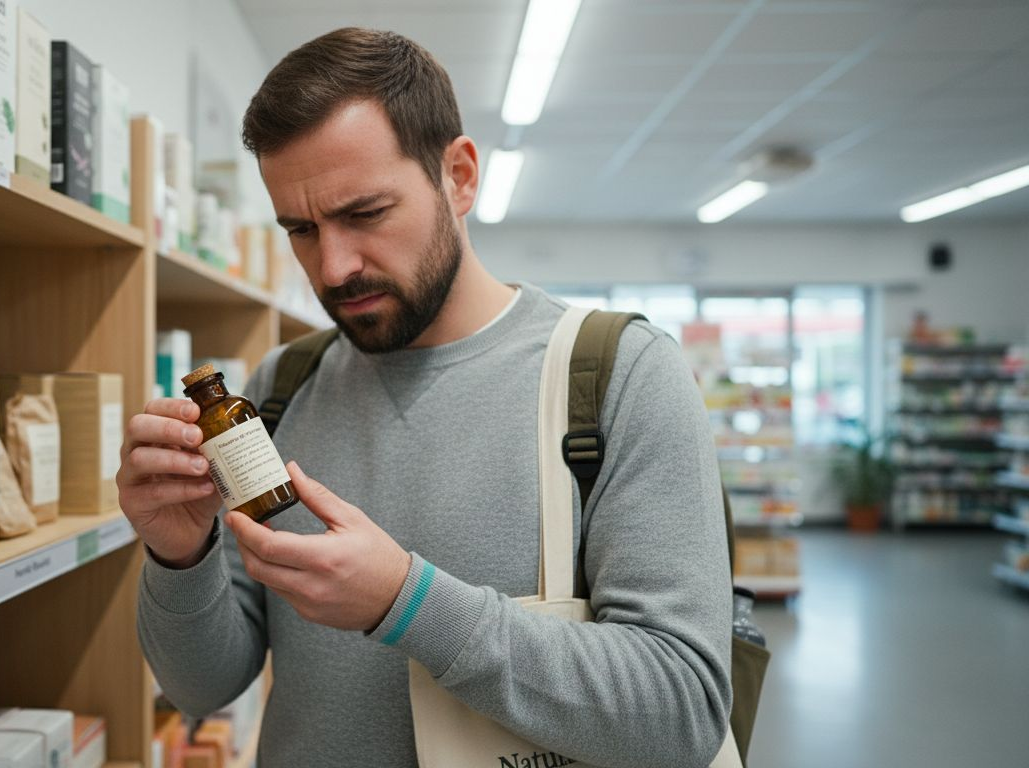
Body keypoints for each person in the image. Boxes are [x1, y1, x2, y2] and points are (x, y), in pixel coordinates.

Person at [119, 27, 731, 768]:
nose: (335, 266)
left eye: (365, 213)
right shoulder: (279, 392)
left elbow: (682, 711)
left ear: (460, 176)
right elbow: (202, 687)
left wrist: (408, 605)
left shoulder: (622, 376)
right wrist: (179, 553)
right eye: (302, 230)